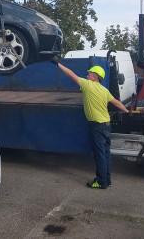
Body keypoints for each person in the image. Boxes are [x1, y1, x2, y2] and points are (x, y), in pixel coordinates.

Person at [50, 57, 129, 189]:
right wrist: (128, 112)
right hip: (106, 125)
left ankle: (101, 181)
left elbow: (71, 74)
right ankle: (107, 179)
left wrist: (57, 64)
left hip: (97, 126)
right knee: (106, 153)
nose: (87, 75)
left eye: (89, 74)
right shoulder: (104, 90)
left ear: (95, 77)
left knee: (99, 155)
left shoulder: (88, 85)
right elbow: (116, 102)